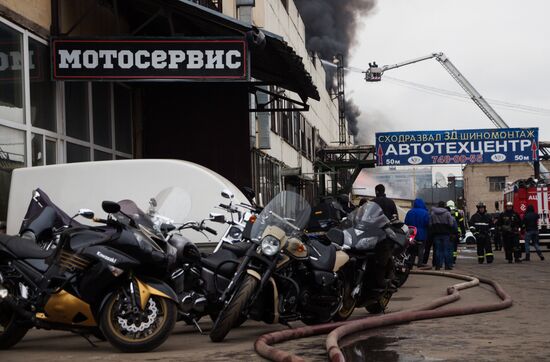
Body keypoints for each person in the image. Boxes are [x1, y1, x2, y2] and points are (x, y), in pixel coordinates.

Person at [429, 201, 455, 270]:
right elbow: (451, 224)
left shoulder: (433, 213)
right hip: (446, 235)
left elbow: (430, 224)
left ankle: (438, 266)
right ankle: (447, 266)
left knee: (438, 250)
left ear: (438, 205)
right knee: (446, 250)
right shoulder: (447, 213)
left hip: (436, 234)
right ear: (444, 206)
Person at [405, 198, 430, 267]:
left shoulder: (410, 212)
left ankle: (410, 263)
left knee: (411, 249)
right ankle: (420, 263)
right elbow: (427, 223)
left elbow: (406, 223)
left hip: (412, 234)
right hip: (422, 234)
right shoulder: (425, 213)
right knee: (421, 249)